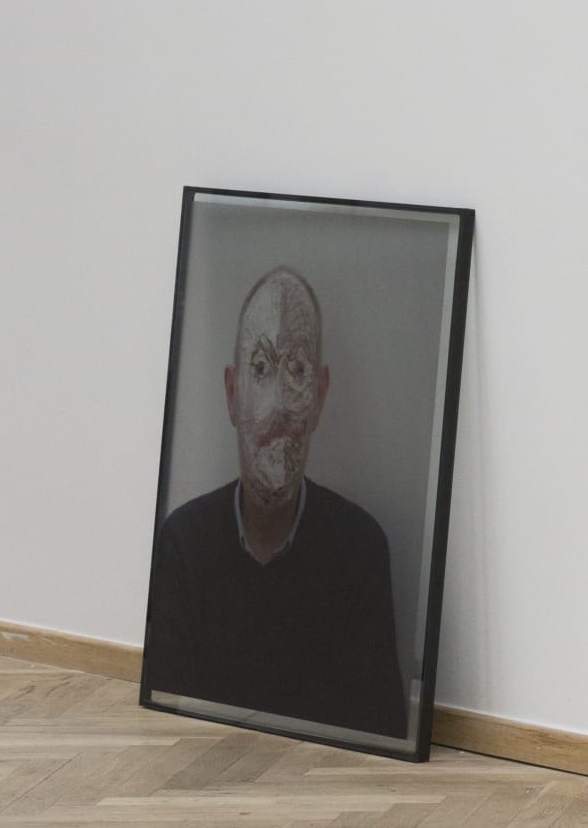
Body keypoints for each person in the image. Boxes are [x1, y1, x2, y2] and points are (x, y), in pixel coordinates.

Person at [144, 266, 407, 738]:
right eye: (261, 369)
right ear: (231, 394)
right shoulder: (183, 544)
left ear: (320, 396)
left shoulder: (360, 551)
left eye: (298, 371)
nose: (280, 404)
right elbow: (163, 721)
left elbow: (378, 732)